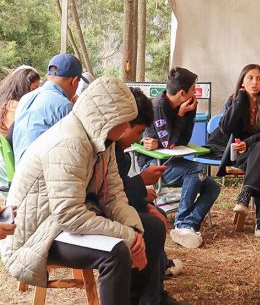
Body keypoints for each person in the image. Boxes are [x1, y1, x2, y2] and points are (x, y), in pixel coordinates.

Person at [2, 77, 166, 305]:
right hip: (37, 233)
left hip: (63, 220)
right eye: (126, 120)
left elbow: (113, 195)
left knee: (153, 228)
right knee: (115, 251)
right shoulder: (69, 141)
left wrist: (133, 230)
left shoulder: (103, 139)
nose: (128, 127)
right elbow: (69, 215)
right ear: (110, 117)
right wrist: (127, 236)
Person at [138, 67, 221, 249]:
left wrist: (189, 112)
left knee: (213, 187)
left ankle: (189, 224)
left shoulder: (185, 105)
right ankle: (182, 224)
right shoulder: (159, 105)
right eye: (193, 89)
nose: (195, 92)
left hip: (172, 160)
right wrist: (181, 114)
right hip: (152, 163)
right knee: (196, 168)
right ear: (182, 93)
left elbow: (183, 140)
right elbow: (169, 143)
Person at [116, 87, 184, 305]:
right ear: (123, 124)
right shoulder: (103, 144)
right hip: (91, 214)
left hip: (111, 205)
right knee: (152, 225)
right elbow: (108, 193)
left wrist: (143, 199)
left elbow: (117, 187)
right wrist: (142, 186)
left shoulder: (114, 146)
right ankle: (147, 298)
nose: (138, 140)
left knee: (155, 219)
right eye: (138, 132)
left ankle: (153, 293)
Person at [217, 64, 260, 239]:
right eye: (250, 78)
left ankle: (245, 193)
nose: (255, 82)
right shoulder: (234, 100)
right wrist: (239, 101)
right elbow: (225, 129)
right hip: (245, 155)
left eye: (259, 78)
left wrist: (248, 142)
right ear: (242, 81)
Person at [12, 53, 89, 166]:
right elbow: (75, 151)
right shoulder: (64, 106)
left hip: (19, 175)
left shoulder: (25, 98)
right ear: (74, 81)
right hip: (42, 177)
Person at [0, 66, 40, 136]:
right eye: (34, 89)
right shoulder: (14, 106)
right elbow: (27, 132)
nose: (37, 93)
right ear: (22, 88)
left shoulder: (6, 102)